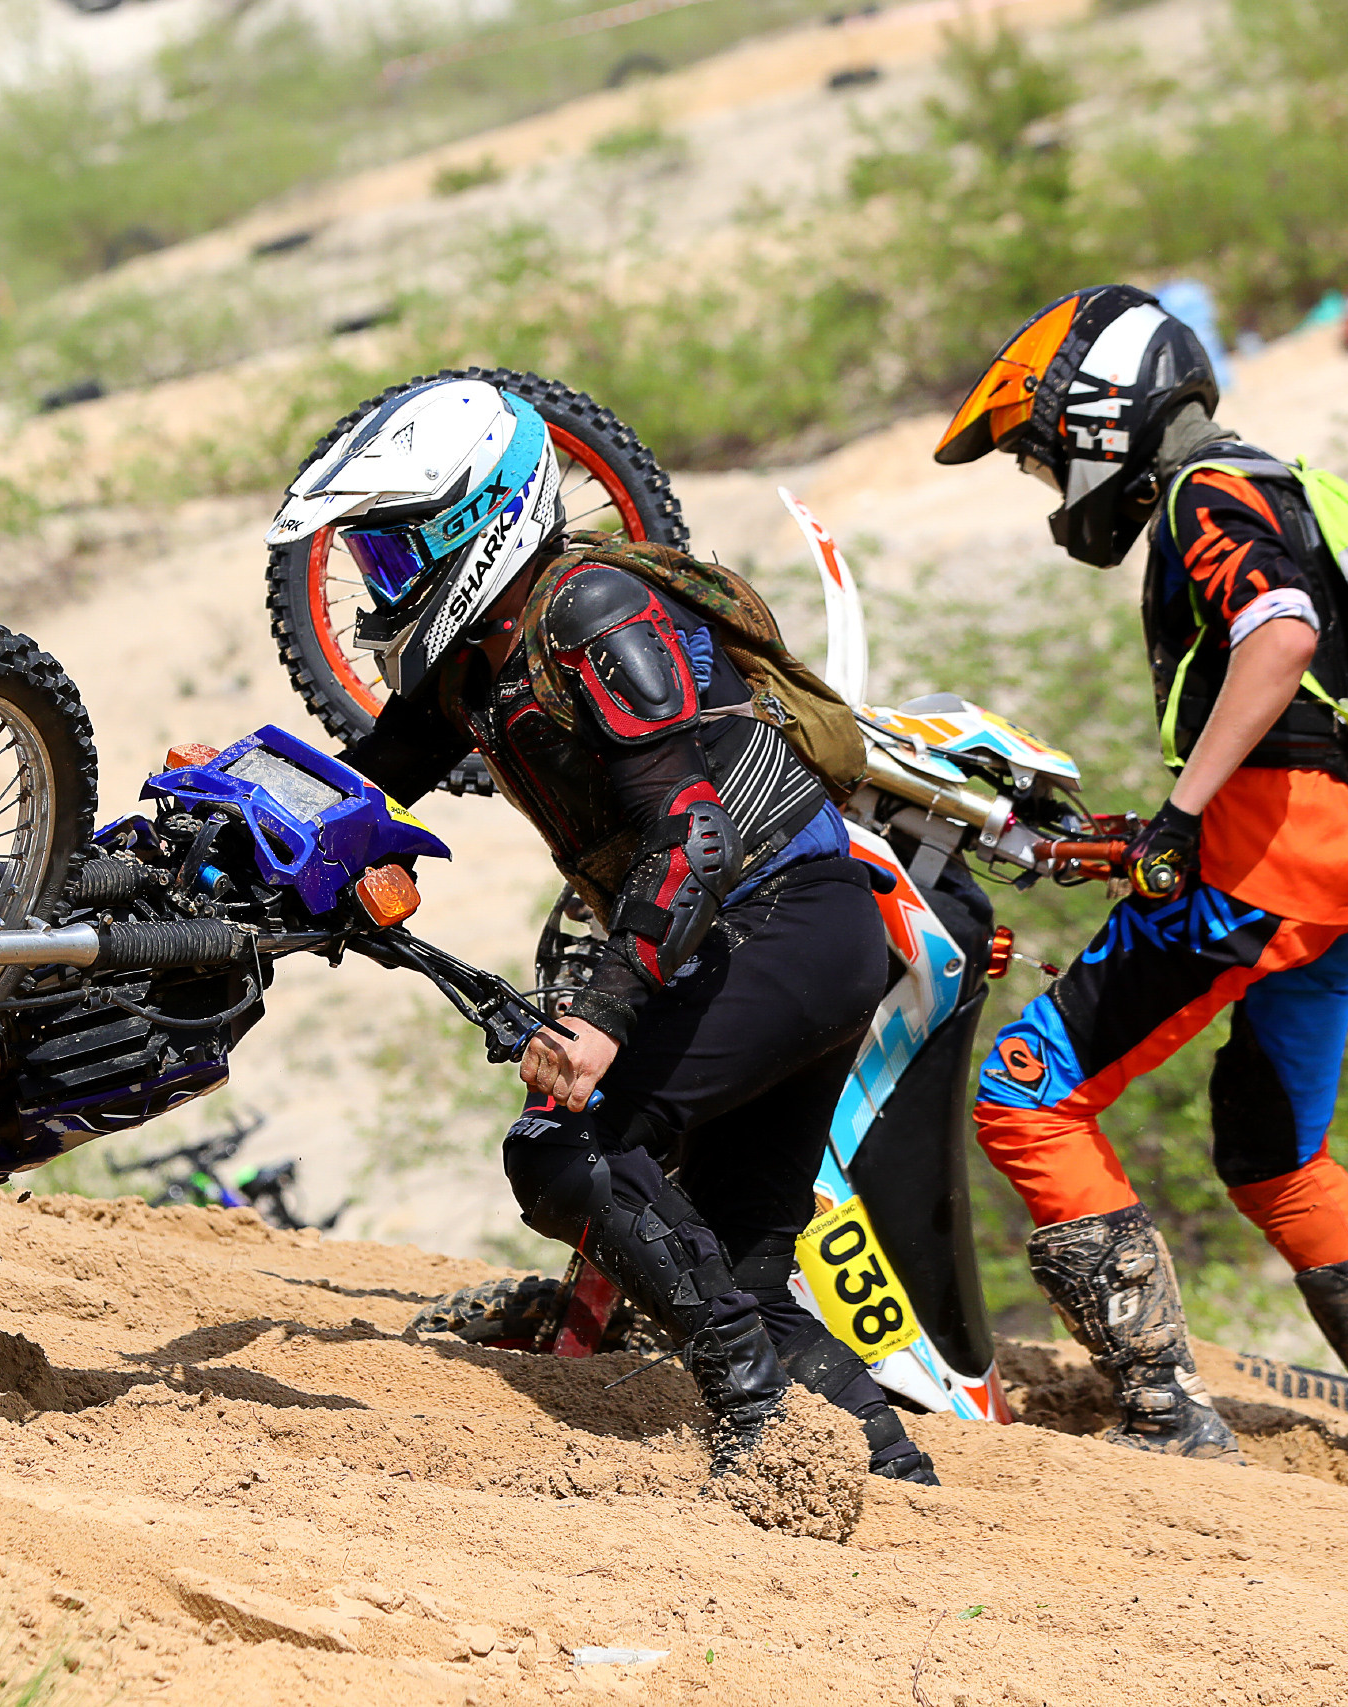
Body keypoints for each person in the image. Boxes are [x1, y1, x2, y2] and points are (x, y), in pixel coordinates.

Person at [265, 377, 935, 1483]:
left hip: (786, 924)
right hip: (763, 944)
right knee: (737, 1270)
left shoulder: (591, 608)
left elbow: (696, 829)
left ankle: (759, 1423)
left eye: (396, 554)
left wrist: (608, 1013)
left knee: (561, 1146)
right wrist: (224, 823)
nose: (382, 585)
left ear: (480, 518)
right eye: (370, 560)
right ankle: (891, 1483)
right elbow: (362, 794)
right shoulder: (472, 660)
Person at [931, 284, 1348, 1491]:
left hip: (1261, 869)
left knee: (1027, 1093)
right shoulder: (1265, 476)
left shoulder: (1204, 495)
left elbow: (1279, 632)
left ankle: (1164, 1412)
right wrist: (1160, 825)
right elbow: (1312, 697)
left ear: (1095, 421)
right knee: (1276, 1152)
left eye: (1038, 454)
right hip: (1345, 856)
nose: (1044, 480)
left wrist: (1184, 819)